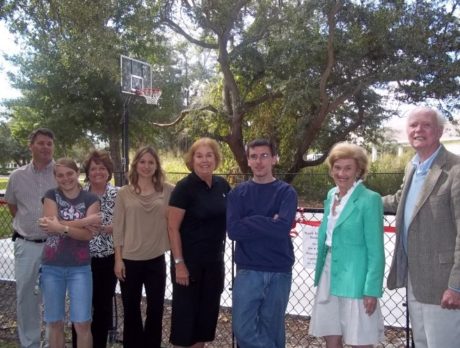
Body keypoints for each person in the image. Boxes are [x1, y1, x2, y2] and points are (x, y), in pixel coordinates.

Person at [383, 106, 460, 348]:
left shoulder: (456, 170)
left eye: (426, 125)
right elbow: (400, 200)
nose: (418, 130)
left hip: (443, 284)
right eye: (413, 125)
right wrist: (359, 199)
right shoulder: (413, 166)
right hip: (415, 279)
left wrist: (456, 285)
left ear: (439, 131)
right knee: (423, 343)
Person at [308, 142, 385, 348]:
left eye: (348, 168)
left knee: (360, 339)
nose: (341, 173)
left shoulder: (370, 200)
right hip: (329, 274)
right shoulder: (331, 195)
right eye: (337, 167)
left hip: (356, 279)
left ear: (358, 170)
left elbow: (376, 250)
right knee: (331, 335)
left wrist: (371, 289)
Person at [227, 138, 298, 348]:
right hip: (248, 269)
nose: (259, 161)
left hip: (279, 270)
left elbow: (282, 228)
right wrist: (269, 221)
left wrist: (249, 221)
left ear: (274, 159)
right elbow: (234, 230)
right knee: (242, 329)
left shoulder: (286, 192)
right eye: (254, 156)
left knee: (272, 328)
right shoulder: (237, 194)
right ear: (248, 161)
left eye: (264, 156)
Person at [167, 137, 231, 348]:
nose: (204, 160)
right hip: (188, 265)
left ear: (216, 158)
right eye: (199, 155)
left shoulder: (222, 185)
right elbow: (172, 228)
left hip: (213, 264)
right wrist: (179, 264)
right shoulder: (184, 188)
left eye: (209, 155)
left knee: (204, 322)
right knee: (185, 325)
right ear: (192, 159)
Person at [113, 146, 174, 348]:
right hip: (129, 260)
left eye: (151, 162)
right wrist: (118, 260)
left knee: (156, 310)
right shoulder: (123, 193)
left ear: (156, 166)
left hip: (156, 260)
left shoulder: (167, 190)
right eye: (142, 162)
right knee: (131, 311)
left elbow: (189, 201)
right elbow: (118, 229)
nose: (146, 166)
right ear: (135, 165)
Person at [38, 158, 100, 348]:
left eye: (69, 173)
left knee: (82, 323)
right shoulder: (51, 195)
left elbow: (87, 236)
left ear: (77, 173)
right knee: (55, 322)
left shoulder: (91, 199)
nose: (66, 179)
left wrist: (61, 226)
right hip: (52, 266)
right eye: (60, 175)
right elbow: (49, 227)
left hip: (80, 269)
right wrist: (83, 221)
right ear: (55, 177)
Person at [5, 128, 56, 348]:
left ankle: (50, 342)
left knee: (54, 296)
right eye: (41, 143)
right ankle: (30, 343)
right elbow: (12, 207)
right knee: (27, 297)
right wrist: (29, 226)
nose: (45, 147)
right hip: (27, 246)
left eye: (49, 144)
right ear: (31, 146)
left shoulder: (61, 173)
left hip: (57, 245)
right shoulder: (17, 176)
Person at [71, 150, 119, 348]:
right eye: (93, 168)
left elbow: (128, 224)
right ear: (87, 172)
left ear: (109, 172)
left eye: (102, 168)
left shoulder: (119, 195)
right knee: (80, 309)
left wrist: (111, 228)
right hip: (80, 259)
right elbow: (67, 224)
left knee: (102, 308)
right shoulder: (77, 194)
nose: (97, 172)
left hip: (107, 259)